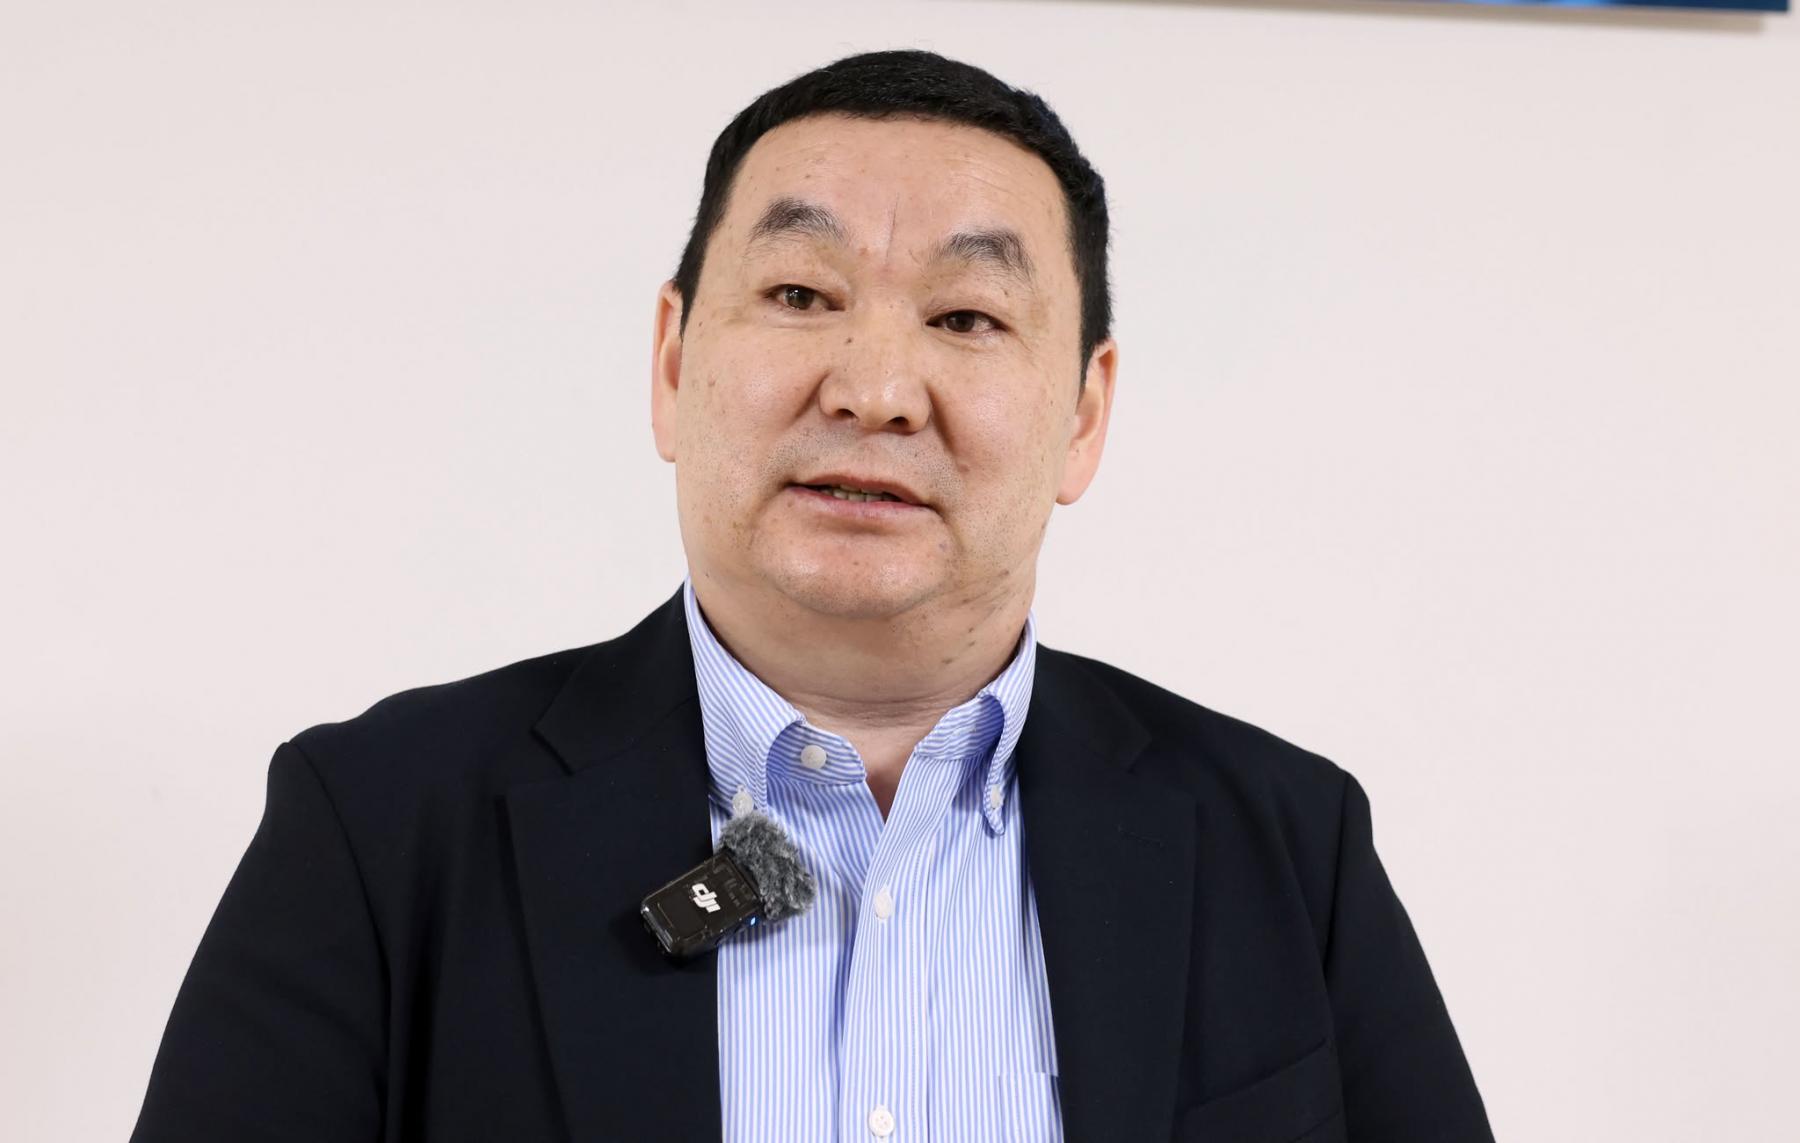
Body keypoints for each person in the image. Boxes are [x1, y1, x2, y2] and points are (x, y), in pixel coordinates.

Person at [129, 50, 1494, 1143]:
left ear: (1085, 414)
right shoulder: (380, 828)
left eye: (966, 318)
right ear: (673, 365)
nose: (875, 389)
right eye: (798, 292)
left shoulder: (1286, 845)